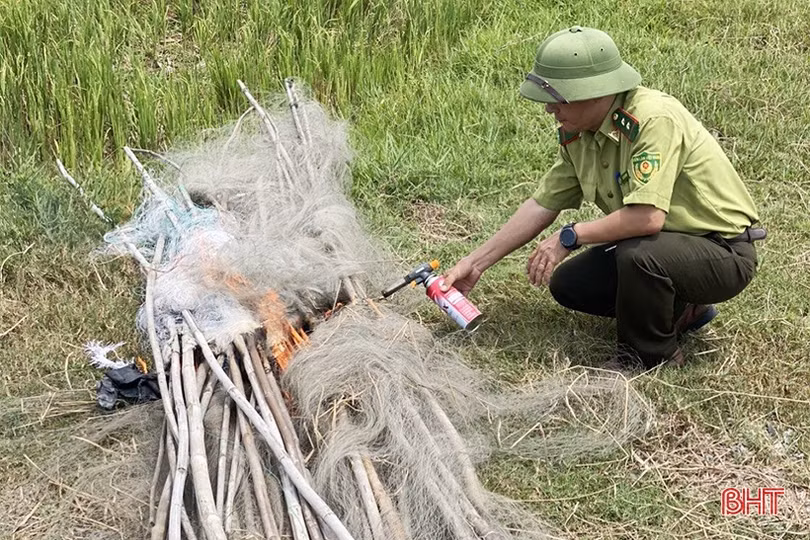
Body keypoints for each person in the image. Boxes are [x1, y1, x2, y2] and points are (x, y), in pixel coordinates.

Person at [441, 25, 764, 369]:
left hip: (722, 251)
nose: (550, 110)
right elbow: (542, 203)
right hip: (667, 244)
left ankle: (651, 356)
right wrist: (475, 263)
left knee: (638, 257)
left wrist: (571, 236)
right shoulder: (578, 133)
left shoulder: (653, 119)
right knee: (570, 284)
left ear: (595, 92)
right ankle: (681, 310)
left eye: (558, 100)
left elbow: (646, 218)